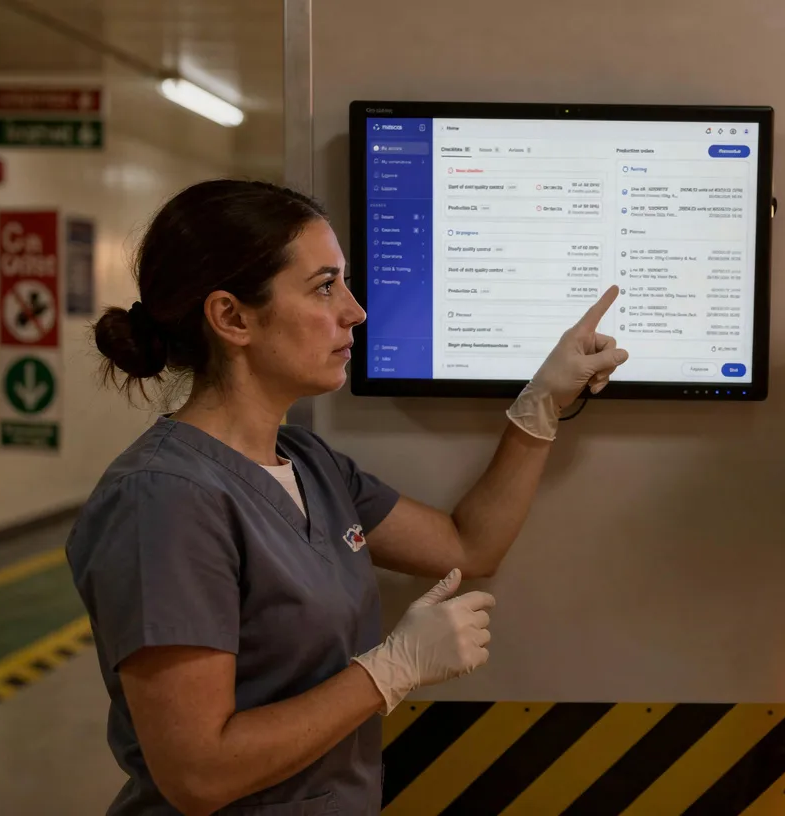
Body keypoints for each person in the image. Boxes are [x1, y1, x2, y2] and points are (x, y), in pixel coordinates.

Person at [66, 179, 628, 816]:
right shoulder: (162, 500)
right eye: (325, 286)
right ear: (231, 317)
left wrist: (541, 404)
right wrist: (387, 672)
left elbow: (469, 546)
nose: (355, 311)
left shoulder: (309, 463)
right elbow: (199, 775)